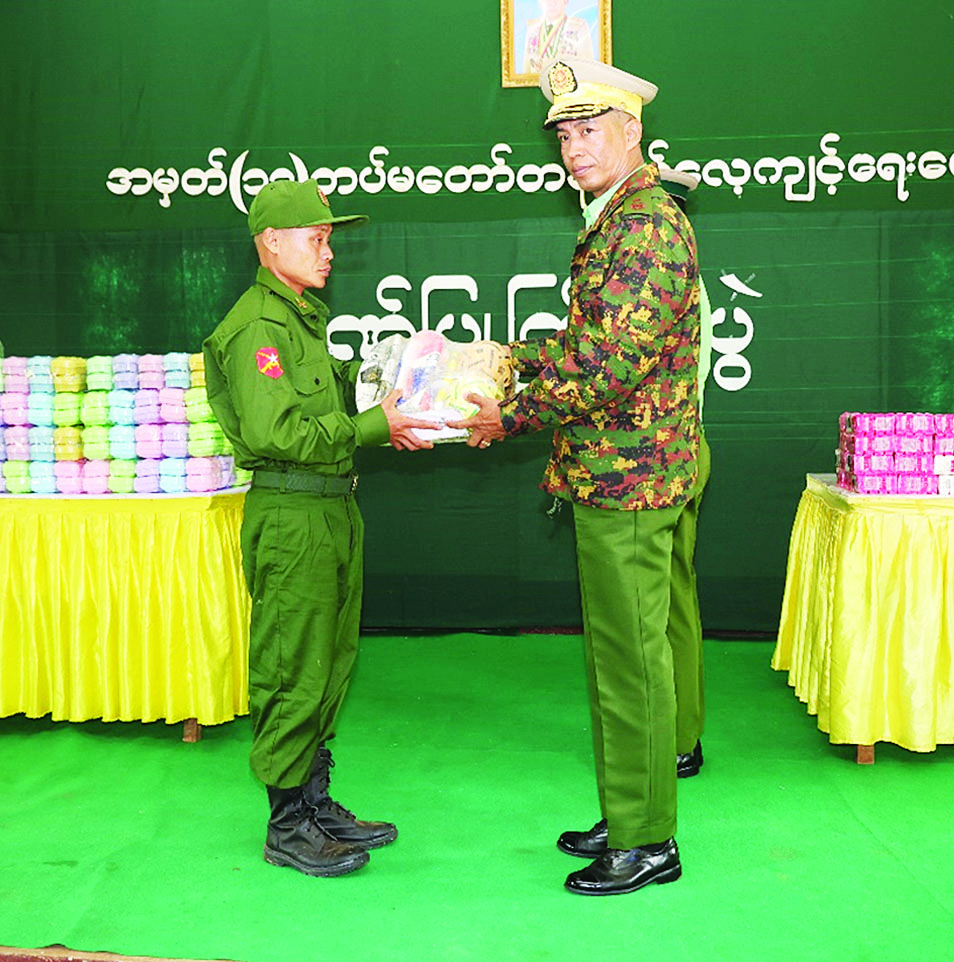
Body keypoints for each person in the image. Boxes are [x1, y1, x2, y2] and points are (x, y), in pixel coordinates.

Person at [448, 57, 701, 896]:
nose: (574, 148)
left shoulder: (647, 227)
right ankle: (629, 809)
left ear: (633, 131)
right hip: (610, 479)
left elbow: (607, 366)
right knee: (617, 662)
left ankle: (648, 840)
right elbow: (585, 343)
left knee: (632, 666)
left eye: (590, 130)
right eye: (563, 134)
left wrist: (509, 413)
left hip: (630, 484)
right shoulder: (617, 218)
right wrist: (511, 357)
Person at [203, 179, 435, 878]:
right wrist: (371, 427)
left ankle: (312, 800)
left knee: (329, 663)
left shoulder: (299, 318)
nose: (328, 251)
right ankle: (287, 826)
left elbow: (338, 391)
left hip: (330, 507)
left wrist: (403, 379)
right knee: (291, 668)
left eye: (329, 238)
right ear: (272, 242)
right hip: (293, 514)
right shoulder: (257, 328)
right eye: (317, 238)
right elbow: (276, 432)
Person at [659, 167, 712, 780]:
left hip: (669, 452)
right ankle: (676, 731)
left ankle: (680, 737)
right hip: (670, 450)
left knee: (668, 601)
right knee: (670, 597)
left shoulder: (667, 277)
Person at [522, 0, 594, 75]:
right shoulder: (533, 28)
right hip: (537, 81)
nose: (552, 3)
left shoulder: (578, 27)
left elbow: (587, 67)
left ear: (565, 1)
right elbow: (527, 70)